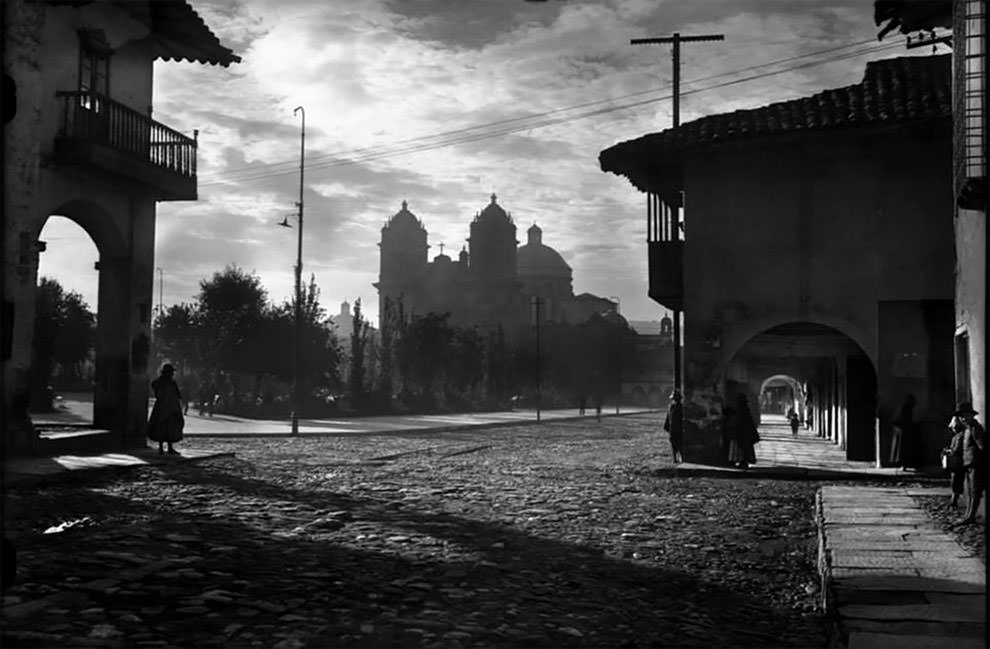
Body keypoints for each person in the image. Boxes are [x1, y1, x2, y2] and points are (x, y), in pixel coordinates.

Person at [953, 403, 985, 526]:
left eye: (965, 416)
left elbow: (981, 445)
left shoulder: (975, 428)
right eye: (961, 417)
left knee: (975, 491)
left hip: (975, 464)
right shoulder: (967, 429)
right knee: (971, 490)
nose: (963, 419)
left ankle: (971, 515)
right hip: (969, 464)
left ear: (971, 415)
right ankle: (968, 514)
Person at [147, 363, 184, 455]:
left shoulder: (172, 382)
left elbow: (178, 394)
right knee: (161, 427)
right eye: (171, 372)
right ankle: (161, 448)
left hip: (172, 407)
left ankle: (170, 447)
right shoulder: (161, 382)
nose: (172, 374)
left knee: (171, 428)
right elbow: (154, 385)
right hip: (163, 407)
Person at [728, 394, 759, 469]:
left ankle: (741, 461)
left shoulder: (740, 411)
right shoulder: (745, 411)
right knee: (742, 448)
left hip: (741, 432)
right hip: (744, 433)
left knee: (740, 448)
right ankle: (743, 461)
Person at [943, 416, 966, 507]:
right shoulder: (957, 436)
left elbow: (957, 449)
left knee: (956, 481)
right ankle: (954, 498)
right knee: (955, 480)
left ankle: (955, 499)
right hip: (957, 462)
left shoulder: (959, 436)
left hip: (958, 462)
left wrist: (949, 451)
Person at [890, 394, 917, 469]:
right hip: (902, 430)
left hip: (901, 430)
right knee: (902, 449)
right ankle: (902, 464)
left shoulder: (905, 408)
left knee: (901, 449)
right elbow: (905, 420)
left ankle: (901, 463)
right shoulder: (906, 409)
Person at [663, 391, 684, 464]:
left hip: (679, 428)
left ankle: (681, 457)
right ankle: (675, 458)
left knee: (680, 443)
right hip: (673, 428)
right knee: (673, 442)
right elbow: (668, 417)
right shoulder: (671, 407)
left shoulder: (681, 407)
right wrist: (667, 426)